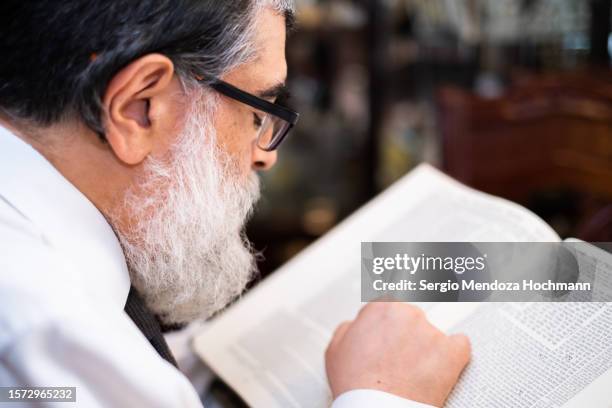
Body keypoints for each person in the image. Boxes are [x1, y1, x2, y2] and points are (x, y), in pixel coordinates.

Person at [0, 1, 470, 407]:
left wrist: (203, 357)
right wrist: (383, 394)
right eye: (257, 112)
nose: (266, 155)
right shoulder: (50, 329)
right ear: (139, 108)